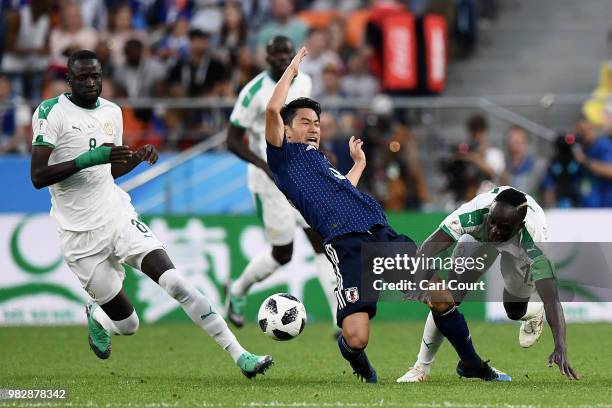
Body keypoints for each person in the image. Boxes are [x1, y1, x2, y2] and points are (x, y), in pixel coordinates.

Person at [264, 47, 511, 383]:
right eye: (305, 122)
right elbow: (271, 109)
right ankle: (356, 358)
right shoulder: (282, 157)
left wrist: (359, 166)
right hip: (346, 245)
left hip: (379, 232)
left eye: (317, 123)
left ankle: (472, 364)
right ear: (287, 130)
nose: (313, 128)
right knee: (356, 337)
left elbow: (343, 191)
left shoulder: (318, 161)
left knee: (441, 297)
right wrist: (292, 71)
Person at [29, 50, 273, 378]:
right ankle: (100, 317)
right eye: (83, 77)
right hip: (78, 235)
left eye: (96, 76)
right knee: (128, 324)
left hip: (116, 216)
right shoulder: (51, 112)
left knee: (177, 283)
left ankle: (241, 355)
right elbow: (38, 176)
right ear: (69, 81)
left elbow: (109, 172)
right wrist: (90, 158)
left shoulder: (113, 113)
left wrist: (135, 159)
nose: (90, 82)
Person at [396, 187, 578, 383]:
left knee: (514, 311)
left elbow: (551, 299)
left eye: (503, 227)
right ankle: (421, 368)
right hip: (477, 239)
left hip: (518, 251)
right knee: (449, 297)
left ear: (519, 225)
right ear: (490, 210)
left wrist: (560, 345)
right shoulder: (473, 214)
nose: (494, 231)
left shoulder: (534, 244)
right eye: (493, 222)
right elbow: (427, 249)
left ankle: (534, 312)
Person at [225, 36, 338, 334]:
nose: (282, 60)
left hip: (301, 175)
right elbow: (232, 140)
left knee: (322, 240)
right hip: (269, 183)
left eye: (286, 54)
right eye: (276, 55)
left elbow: (306, 124)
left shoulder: (305, 82)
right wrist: (264, 164)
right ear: (267, 57)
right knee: (282, 253)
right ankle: (237, 290)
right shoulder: (253, 93)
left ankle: (340, 319)